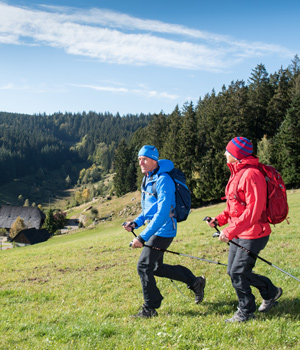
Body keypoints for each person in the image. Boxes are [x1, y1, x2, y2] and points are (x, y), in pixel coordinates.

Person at [123, 145, 206, 318]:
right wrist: (135, 223)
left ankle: (150, 308)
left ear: (154, 160)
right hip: (154, 228)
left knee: (144, 265)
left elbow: (162, 213)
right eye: (139, 159)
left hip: (164, 230)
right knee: (156, 268)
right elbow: (149, 209)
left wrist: (142, 237)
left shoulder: (163, 180)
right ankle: (195, 282)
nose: (141, 163)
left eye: (144, 159)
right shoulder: (147, 178)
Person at [206, 137, 282, 323]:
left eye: (227, 151)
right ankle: (271, 292)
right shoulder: (237, 173)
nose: (224, 153)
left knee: (239, 273)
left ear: (236, 154)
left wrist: (229, 231)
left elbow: (253, 211)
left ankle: (246, 311)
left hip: (254, 233)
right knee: (234, 272)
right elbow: (234, 206)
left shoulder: (251, 175)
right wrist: (219, 220)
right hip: (241, 232)